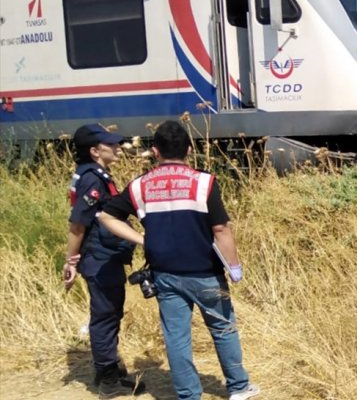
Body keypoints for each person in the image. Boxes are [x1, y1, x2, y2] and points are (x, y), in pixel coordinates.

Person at [98, 121, 259, 400]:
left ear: (155, 151)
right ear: (188, 149)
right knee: (222, 329)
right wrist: (234, 267)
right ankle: (238, 387)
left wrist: (141, 239)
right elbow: (221, 229)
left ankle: (188, 395)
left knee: (176, 337)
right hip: (206, 271)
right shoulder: (204, 182)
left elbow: (106, 216)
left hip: (165, 273)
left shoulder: (139, 186)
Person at [63, 124, 145, 396]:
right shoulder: (92, 179)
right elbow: (78, 224)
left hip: (103, 255)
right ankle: (109, 380)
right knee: (105, 315)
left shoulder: (95, 173)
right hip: (99, 257)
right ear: (95, 151)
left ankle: (111, 370)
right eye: (112, 145)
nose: (118, 147)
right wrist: (70, 261)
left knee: (110, 311)